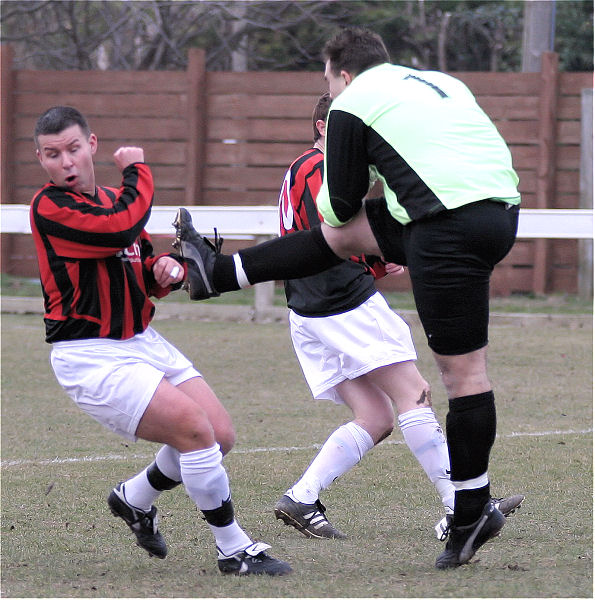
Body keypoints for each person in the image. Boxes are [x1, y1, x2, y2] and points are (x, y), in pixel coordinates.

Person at [172, 27, 522, 569]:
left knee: (462, 379)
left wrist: (371, 217)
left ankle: (470, 508)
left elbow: (337, 207)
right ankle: (219, 272)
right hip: (498, 212)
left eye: (328, 82)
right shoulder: (437, 82)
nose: (331, 93)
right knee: (413, 384)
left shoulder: (350, 104)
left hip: (439, 229)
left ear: (342, 73)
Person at [29, 105, 291, 577]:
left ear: (90, 145)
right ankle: (234, 550)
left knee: (219, 435)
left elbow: (138, 264)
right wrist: (139, 170)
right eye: (52, 154)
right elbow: (120, 229)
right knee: (194, 431)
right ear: (41, 159)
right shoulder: (50, 206)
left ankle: (134, 498)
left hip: (142, 339)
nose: (65, 162)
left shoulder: (114, 198)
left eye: (72, 149)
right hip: (90, 353)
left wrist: (162, 272)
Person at [272, 93, 523, 542]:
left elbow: (324, 236)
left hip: (308, 306)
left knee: (374, 416)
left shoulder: (302, 168)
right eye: (349, 128)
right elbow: (330, 236)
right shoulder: (318, 168)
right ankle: (463, 505)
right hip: (340, 301)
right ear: (323, 128)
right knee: (415, 394)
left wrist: (377, 258)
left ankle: (301, 497)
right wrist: (379, 255)